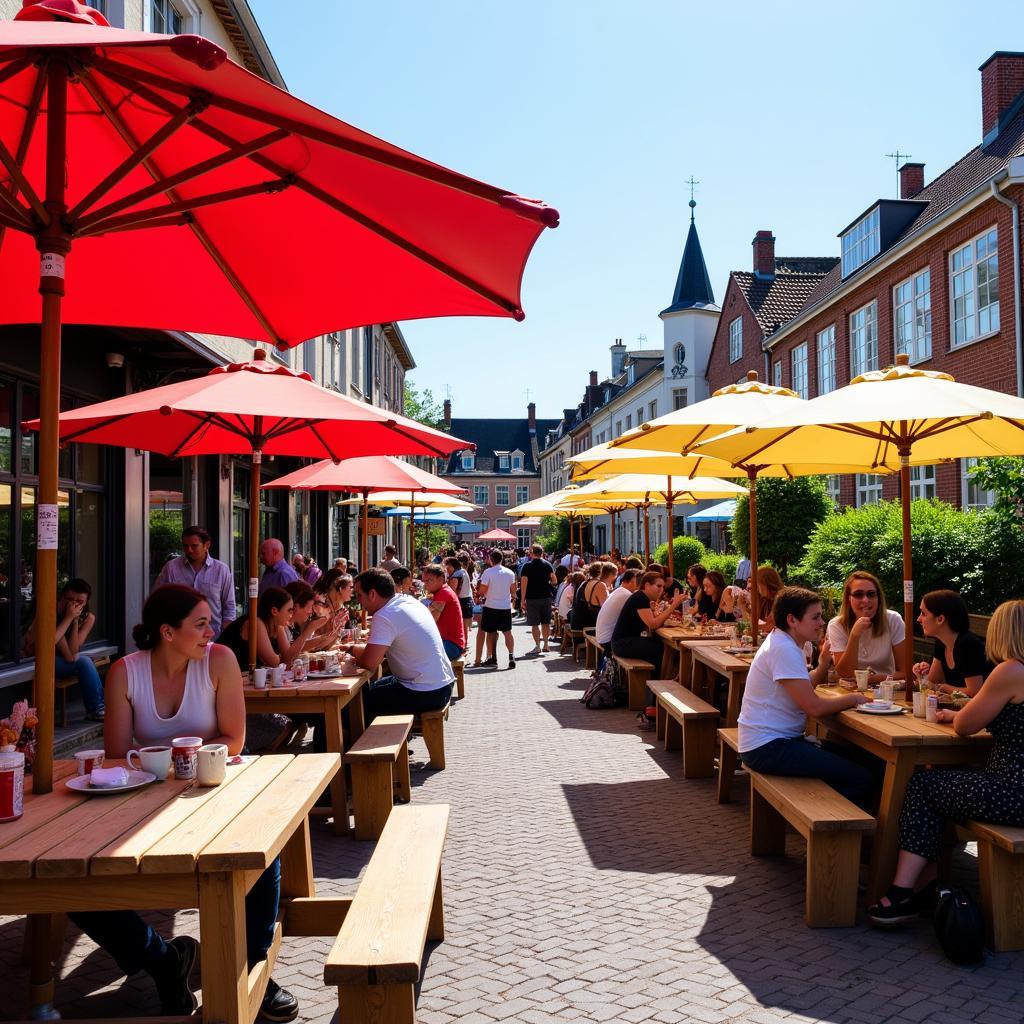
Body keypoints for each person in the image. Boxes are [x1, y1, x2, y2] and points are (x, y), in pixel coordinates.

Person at [69, 585, 297, 1021]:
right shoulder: (125, 672)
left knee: (260, 852)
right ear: (167, 632)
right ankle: (163, 961)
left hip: (213, 787)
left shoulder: (219, 661)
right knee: (71, 876)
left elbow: (234, 738)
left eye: (210, 622)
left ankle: (254, 970)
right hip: (140, 799)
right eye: (201, 624)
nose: (212, 631)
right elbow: (117, 753)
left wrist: (177, 761)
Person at [868, 600, 1024, 926]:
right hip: (1011, 787)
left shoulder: (1011, 670)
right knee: (941, 777)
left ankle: (903, 891)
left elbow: (965, 725)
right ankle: (927, 881)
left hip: (1013, 793)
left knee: (925, 784)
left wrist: (958, 715)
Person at [737, 586, 873, 804]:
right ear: (792, 620)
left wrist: (821, 667)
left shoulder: (783, 642)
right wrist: (855, 698)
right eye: (816, 617)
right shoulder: (784, 648)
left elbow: (799, 687)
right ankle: (830, 825)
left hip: (767, 743)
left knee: (860, 759)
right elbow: (814, 708)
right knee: (862, 778)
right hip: (768, 747)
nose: (822, 623)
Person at [349, 569, 454, 722]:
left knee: (355, 705)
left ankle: (362, 744)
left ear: (372, 594)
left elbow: (369, 662)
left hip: (425, 692)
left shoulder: (385, 615)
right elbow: (376, 653)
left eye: (359, 595)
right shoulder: (408, 601)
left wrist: (348, 659)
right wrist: (351, 650)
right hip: (440, 685)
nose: (358, 601)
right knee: (369, 690)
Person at [25, 578, 104, 721]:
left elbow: (73, 651)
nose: (72, 604)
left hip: (58, 660)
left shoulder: (88, 618)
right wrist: (68, 618)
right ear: (61, 597)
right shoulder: (50, 611)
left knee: (85, 661)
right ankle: (97, 708)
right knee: (85, 662)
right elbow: (48, 646)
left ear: (86, 602)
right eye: (69, 599)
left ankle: (98, 708)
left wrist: (74, 622)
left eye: (79, 601)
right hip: (34, 659)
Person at [827, 570, 906, 683]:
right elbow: (845, 673)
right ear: (849, 599)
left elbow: (906, 672)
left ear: (878, 598)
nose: (866, 600)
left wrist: (871, 679)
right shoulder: (837, 625)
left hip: (886, 690)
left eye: (871, 594)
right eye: (858, 594)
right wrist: (854, 635)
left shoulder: (893, 619)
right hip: (850, 692)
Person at [155, 525, 235, 635]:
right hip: (179, 636)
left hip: (213, 636)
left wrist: (228, 632)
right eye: (185, 546)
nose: (189, 550)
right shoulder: (171, 568)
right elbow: (158, 599)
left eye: (194, 546)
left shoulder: (221, 570)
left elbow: (229, 605)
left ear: (207, 545)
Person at [913, 589, 989, 698]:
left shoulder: (968, 645)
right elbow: (932, 683)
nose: (919, 619)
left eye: (923, 614)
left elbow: (975, 692)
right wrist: (921, 675)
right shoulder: (942, 642)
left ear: (940, 619)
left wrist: (944, 688)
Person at [611, 570, 685, 670]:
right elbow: (653, 625)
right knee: (664, 648)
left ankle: (663, 678)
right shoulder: (640, 598)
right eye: (658, 586)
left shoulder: (642, 597)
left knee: (662, 645)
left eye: (663, 587)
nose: (662, 590)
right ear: (647, 585)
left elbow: (652, 622)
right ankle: (661, 680)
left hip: (624, 642)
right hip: (622, 644)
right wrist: (673, 606)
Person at [216, 587, 294, 671]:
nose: (291, 614)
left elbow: (288, 657)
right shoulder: (255, 622)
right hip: (221, 672)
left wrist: (280, 625)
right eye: (289, 610)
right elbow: (274, 662)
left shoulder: (272, 624)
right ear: (274, 611)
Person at [479, 549, 517, 669]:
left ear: (491, 559)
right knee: (507, 633)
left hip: (491, 606)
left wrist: (480, 593)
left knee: (491, 633)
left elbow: (483, 590)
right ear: (502, 559)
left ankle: (493, 657)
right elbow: (513, 591)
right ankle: (511, 656)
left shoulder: (488, 572)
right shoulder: (510, 573)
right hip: (505, 606)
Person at [421, 565, 465, 661]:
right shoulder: (442, 591)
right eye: (424, 581)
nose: (425, 584)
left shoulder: (443, 593)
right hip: (450, 642)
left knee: (417, 657)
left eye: (429, 580)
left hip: (452, 645)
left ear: (440, 580)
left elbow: (430, 622)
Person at [595, 568, 640, 662]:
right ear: (632, 582)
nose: (639, 585)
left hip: (602, 637)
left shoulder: (618, 591)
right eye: (638, 582)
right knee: (653, 647)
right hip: (608, 640)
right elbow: (641, 618)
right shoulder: (626, 595)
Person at [520, 544, 557, 656]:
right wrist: (549, 582)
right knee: (546, 622)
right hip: (546, 597)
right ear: (542, 553)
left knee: (535, 624)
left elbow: (524, 583)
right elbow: (554, 580)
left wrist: (522, 599)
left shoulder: (527, 566)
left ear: (531, 553)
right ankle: (546, 644)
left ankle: (537, 646)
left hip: (532, 598)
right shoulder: (548, 565)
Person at [283, 580, 336, 654]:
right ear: (296, 607)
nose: (311, 611)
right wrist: (311, 628)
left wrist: (327, 636)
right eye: (310, 607)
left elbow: (299, 647)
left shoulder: (294, 625)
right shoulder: (281, 627)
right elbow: (288, 655)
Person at [571, 562, 609, 632]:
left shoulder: (585, 582)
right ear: (603, 573)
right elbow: (606, 608)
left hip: (576, 623)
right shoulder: (599, 585)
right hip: (585, 626)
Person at [445, 555, 473, 648]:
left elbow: (452, 592)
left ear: (452, 565)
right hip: (467, 600)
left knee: (461, 625)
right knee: (464, 625)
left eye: (446, 566)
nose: (446, 568)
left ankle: (462, 645)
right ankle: (464, 644)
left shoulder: (456, 575)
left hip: (461, 601)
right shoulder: (463, 571)